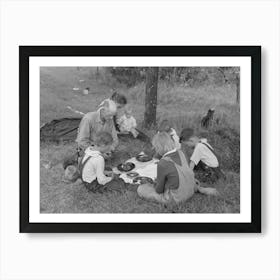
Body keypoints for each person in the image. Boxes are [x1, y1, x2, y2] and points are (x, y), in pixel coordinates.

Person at [137, 132, 218, 204]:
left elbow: (159, 190)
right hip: (190, 190)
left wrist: (154, 183)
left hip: (175, 198)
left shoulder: (163, 162)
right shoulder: (181, 152)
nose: (154, 150)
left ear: (159, 147)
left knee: (141, 189)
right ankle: (199, 189)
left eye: (155, 147)